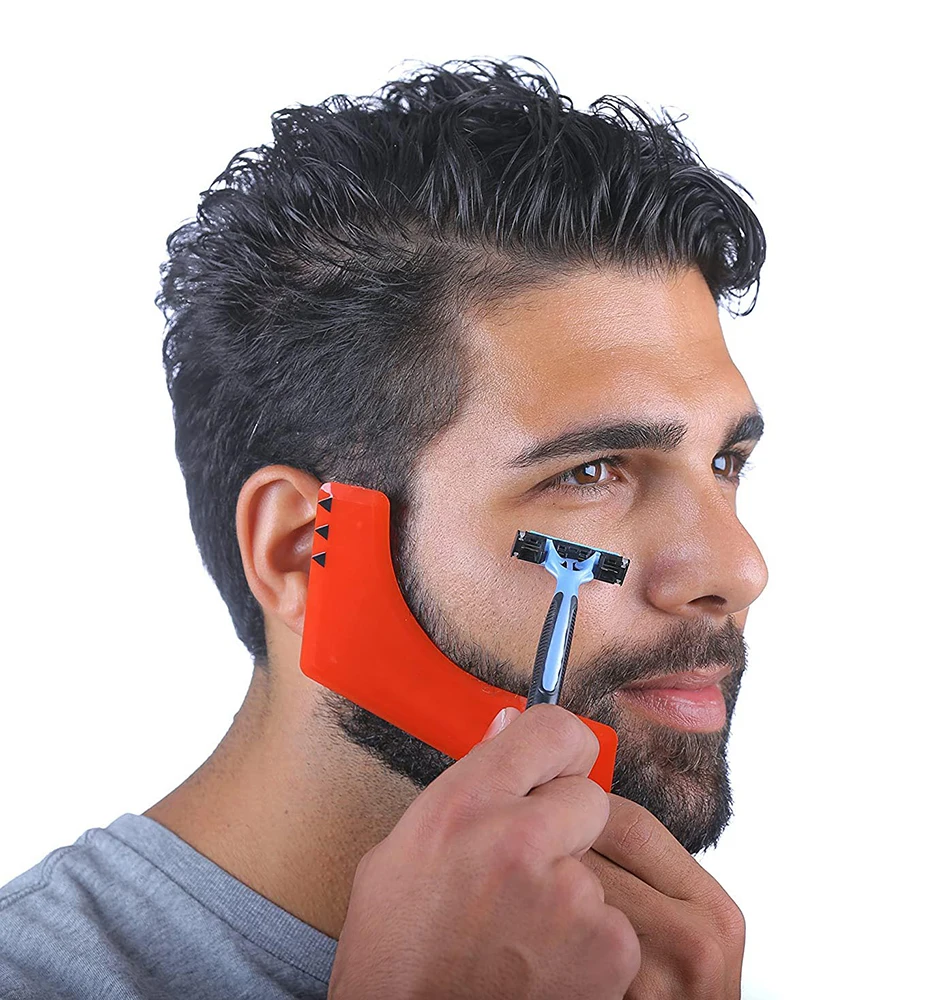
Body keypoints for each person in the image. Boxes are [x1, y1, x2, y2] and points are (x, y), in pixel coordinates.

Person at [0, 58, 768, 999]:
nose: (739, 568)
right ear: (303, 550)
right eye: (592, 471)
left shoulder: (664, 971)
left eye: (726, 463)